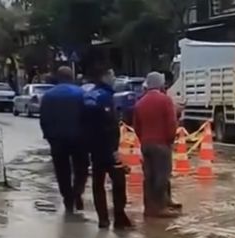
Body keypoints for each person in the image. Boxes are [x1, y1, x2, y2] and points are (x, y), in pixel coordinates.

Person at [83, 67, 132, 229]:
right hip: (107, 148)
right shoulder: (105, 96)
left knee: (98, 184)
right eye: (112, 75)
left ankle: (103, 219)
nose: (114, 78)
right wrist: (114, 150)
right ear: (104, 76)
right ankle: (119, 218)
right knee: (118, 182)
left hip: (93, 148)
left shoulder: (89, 95)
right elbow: (109, 125)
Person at [39, 66, 89, 214]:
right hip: (79, 138)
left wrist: (49, 136)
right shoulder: (81, 93)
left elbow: (44, 119)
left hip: (57, 139)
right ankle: (77, 192)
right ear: (72, 77)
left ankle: (67, 198)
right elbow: (87, 116)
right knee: (82, 168)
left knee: (62, 171)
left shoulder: (48, 96)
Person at [133, 72, 180, 218]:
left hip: (146, 144)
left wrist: (143, 140)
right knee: (162, 175)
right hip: (161, 144)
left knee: (149, 176)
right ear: (161, 84)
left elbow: (136, 126)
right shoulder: (165, 100)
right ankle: (159, 207)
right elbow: (171, 123)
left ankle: (150, 207)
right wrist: (170, 140)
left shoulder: (140, 103)